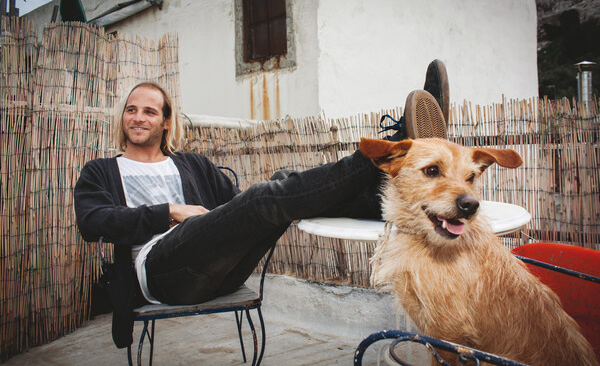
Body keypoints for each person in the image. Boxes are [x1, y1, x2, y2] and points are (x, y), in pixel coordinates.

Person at [74, 60, 450, 348]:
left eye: (149, 111)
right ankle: (389, 152)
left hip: (223, 270)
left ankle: (383, 190)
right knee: (266, 196)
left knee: (280, 186)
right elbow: (93, 222)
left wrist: (265, 199)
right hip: (159, 275)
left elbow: (242, 211)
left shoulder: (191, 164)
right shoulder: (102, 171)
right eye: (131, 110)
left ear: (166, 122)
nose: (138, 118)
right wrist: (170, 210)